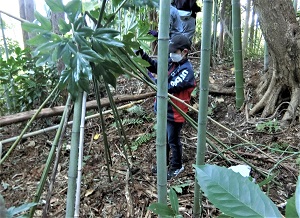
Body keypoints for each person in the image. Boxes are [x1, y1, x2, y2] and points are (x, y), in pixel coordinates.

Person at [136, 34, 196, 180]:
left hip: (175, 113)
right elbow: (156, 67)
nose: (171, 54)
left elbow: (167, 87)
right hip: (163, 110)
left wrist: (150, 79)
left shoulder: (187, 72)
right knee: (163, 139)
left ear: (184, 52)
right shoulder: (172, 62)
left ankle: (177, 166)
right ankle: (164, 163)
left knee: (173, 140)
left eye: (174, 52)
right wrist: (142, 56)